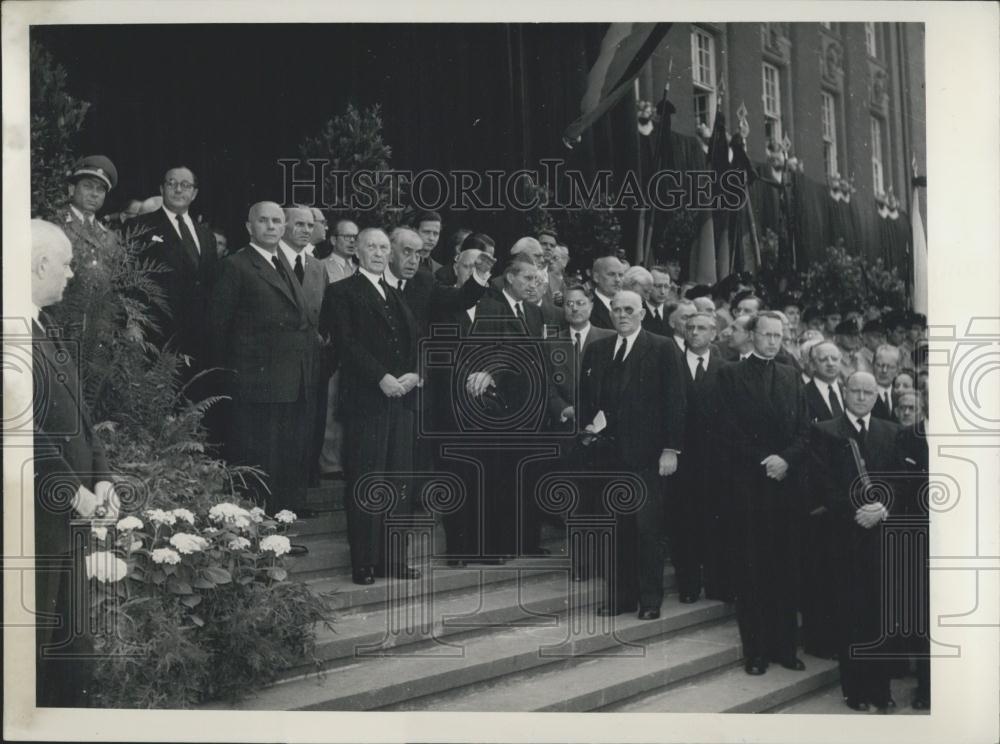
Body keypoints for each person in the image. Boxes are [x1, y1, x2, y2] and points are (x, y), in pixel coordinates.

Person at [31, 220, 120, 707]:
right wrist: (73, 489)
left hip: (68, 520)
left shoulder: (46, 328)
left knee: (71, 647)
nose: (70, 275)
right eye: (65, 265)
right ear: (41, 264)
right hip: (38, 521)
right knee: (38, 648)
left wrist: (102, 478)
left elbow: (82, 419)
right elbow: (20, 429)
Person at [208, 202, 322, 530]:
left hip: (291, 383)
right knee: (258, 464)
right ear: (249, 226)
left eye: (276, 221)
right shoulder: (237, 266)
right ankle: (257, 534)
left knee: (285, 463)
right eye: (263, 221)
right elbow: (218, 329)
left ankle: (280, 531)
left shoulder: (285, 263)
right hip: (255, 387)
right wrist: (232, 382)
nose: (271, 226)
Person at [321, 228, 422, 585]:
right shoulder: (340, 292)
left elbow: (413, 344)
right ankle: (364, 562)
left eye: (383, 247)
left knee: (398, 481)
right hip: (367, 400)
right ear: (356, 252)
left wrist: (414, 375)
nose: (378, 253)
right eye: (371, 247)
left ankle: (394, 559)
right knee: (367, 480)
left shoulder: (396, 295)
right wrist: (381, 377)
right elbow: (346, 344)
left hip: (403, 401)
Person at [578, 290, 686, 619]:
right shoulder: (597, 350)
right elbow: (586, 400)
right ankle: (620, 598)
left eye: (629, 309)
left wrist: (671, 448)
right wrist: (586, 430)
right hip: (609, 458)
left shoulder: (662, 347)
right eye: (617, 309)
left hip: (648, 457)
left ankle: (649, 600)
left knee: (646, 529)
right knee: (615, 530)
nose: (622, 315)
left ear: (641, 314)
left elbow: (676, 400)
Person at [718, 311, 810, 675]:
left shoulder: (791, 375)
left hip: (785, 488)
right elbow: (726, 430)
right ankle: (756, 651)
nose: (773, 341)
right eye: (767, 334)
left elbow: (805, 431)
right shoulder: (730, 374)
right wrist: (764, 460)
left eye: (779, 335)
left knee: (786, 568)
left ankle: (785, 648)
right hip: (749, 487)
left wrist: (786, 459)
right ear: (752, 336)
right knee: (752, 570)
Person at [809, 372, 901, 712]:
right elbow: (822, 485)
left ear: (876, 396)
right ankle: (856, 691)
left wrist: (882, 507)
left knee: (880, 615)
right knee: (850, 614)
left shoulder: (891, 431)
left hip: (880, 535)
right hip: (843, 536)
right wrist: (858, 511)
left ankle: (882, 690)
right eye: (855, 391)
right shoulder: (825, 431)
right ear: (844, 392)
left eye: (868, 392)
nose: (861, 397)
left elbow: (900, 480)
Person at [465, 256, 547, 559]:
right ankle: (496, 545)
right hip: (499, 407)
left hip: (530, 408)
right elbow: (489, 351)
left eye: (536, 280)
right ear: (510, 277)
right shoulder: (489, 304)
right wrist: (492, 373)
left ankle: (525, 542)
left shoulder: (534, 313)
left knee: (526, 478)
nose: (533, 285)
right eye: (527, 278)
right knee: (497, 478)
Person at [670, 311, 732, 603]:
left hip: (716, 461)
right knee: (683, 523)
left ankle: (718, 583)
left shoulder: (726, 369)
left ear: (714, 334)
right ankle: (689, 586)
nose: (694, 332)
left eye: (701, 328)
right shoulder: (671, 364)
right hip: (681, 459)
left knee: (716, 522)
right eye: (690, 327)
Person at [135, 166, 219, 364]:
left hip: (198, 337)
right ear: (162, 189)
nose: (178, 190)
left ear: (194, 193)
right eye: (171, 184)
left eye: (185, 185)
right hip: (157, 334)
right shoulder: (140, 226)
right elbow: (130, 280)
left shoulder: (206, 236)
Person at [281, 206, 332, 495]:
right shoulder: (274, 261)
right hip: (280, 362)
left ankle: (301, 492)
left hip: (312, 362)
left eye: (309, 225)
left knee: (307, 429)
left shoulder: (317, 266)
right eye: (298, 224)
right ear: (285, 226)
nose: (305, 229)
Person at [56, 155, 120, 269]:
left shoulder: (110, 238)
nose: (95, 194)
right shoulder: (55, 222)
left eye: (100, 189)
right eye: (88, 186)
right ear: (72, 189)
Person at [588, 256, 626, 329]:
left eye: (621, 275)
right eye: (611, 274)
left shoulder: (630, 304)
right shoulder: (588, 308)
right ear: (596, 277)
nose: (617, 279)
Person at [319, 218, 359, 284]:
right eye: (347, 236)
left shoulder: (361, 269)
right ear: (334, 240)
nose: (352, 240)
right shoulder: (320, 267)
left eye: (355, 237)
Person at [871, 344, 902, 420]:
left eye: (890, 367)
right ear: (872, 366)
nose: (884, 371)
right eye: (880, 365)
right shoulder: (866, 394)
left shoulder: (900, 397)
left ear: (897, 370)